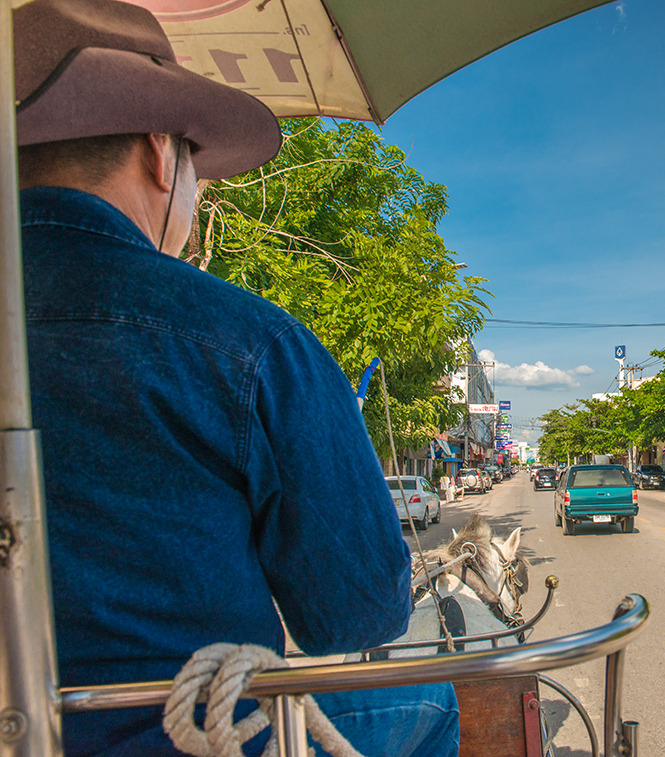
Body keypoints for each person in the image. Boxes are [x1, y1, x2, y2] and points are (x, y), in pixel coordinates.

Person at [14, 1, 457, 754]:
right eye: (199, 173)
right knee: (435, 698)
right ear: (161, 152)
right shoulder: (248, 341)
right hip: (204, 734)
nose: (198, 195)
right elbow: (359, 613)